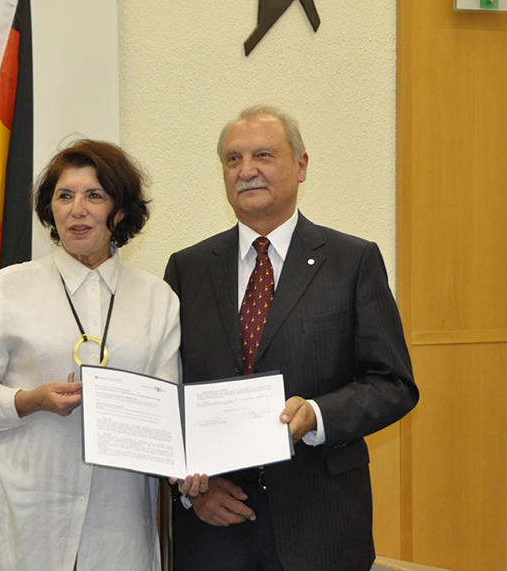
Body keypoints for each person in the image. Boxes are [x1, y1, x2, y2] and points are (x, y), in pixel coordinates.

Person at [165, 105, 418, 570]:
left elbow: (393, 384)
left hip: (321, 522)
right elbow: (169, 394)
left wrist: (318, 415)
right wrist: (189, 488)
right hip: (214, 527)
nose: (247, 170)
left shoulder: (352, 261)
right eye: (233, 159)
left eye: (263, 155)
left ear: (301, 166)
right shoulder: (188, 269)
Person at [0, 139, 180, 571]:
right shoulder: (8, 289)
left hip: (119, 520)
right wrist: (28, 401)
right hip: (28, 514)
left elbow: (168, 414)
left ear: (120, 211)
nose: (78, 210)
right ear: (50, 210)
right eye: (65, 196)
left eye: (95, 195)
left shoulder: (157, 298)